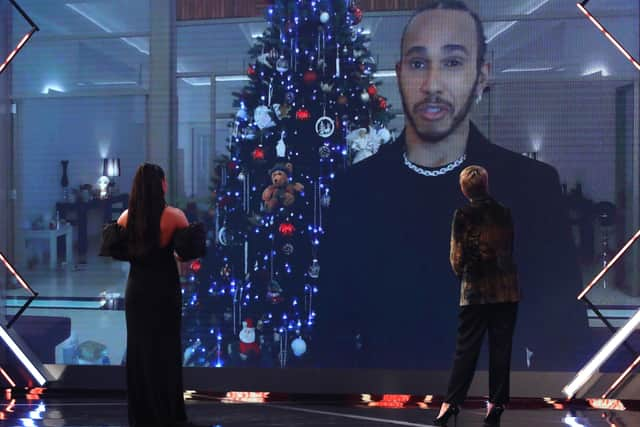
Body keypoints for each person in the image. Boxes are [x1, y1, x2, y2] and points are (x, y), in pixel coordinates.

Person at [318, 0, 587, 371]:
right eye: (418, 63)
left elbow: (564, 342)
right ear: (399, 74)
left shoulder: (531, 188)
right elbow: (332, 341)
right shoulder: (356, 191)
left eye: (453, 62)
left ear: (482, 76)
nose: (432, 84)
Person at [100, 163, 206, 427]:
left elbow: (120, 252)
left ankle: (142, 416)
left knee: (140, 352)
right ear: (160, 185)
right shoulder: (174, 216)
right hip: (165, 290)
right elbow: (185, 254)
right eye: (164, 181)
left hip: (137, 291)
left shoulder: (126, 217)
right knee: (166, 351)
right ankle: (168, 414)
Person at [434, 166, 518, 426]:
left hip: (475, 290)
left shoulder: (463, 214)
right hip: (506, 289)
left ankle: (450, 404)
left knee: (466, 349)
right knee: (501, 348)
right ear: (486, 184)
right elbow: (508, 248)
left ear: (464, 188)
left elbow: (456, 257)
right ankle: (495, 405)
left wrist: (465, 276)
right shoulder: (504, 212)